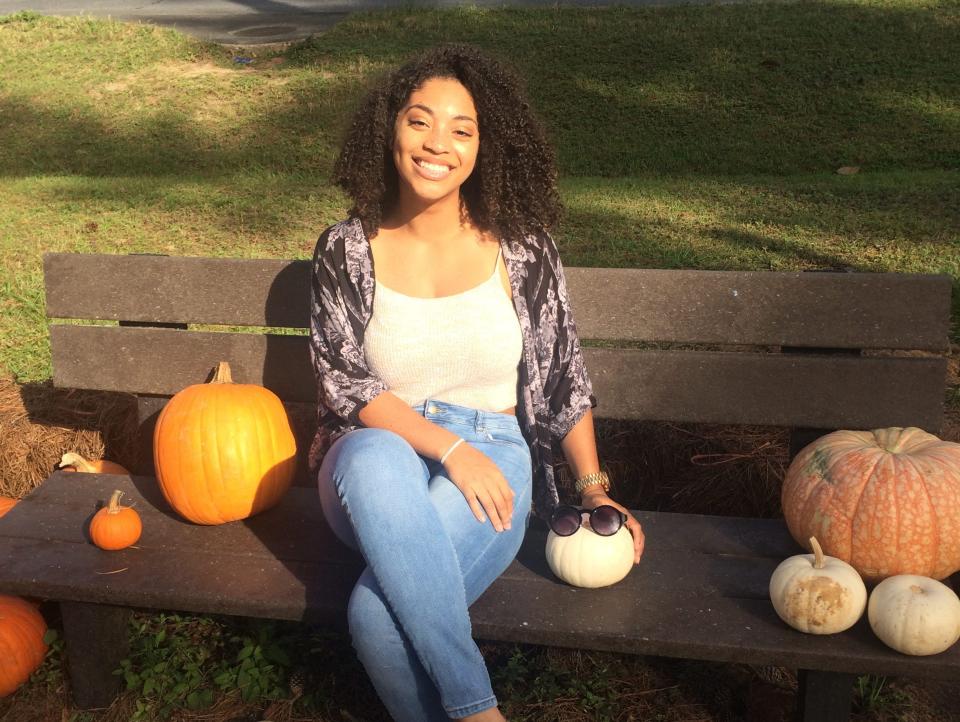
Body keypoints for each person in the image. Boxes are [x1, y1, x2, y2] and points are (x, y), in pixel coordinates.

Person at [309, 43, 645, 722]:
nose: (438, 144)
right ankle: (478, 711)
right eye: (419, 121)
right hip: (378, 458)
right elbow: (346, 383)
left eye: (462, 129)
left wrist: (595, 490)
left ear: (487, 147)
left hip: (495, 451)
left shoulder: (522, 248)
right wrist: (447, 449)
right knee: (374, 458)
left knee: (375, 617)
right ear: (389, 130)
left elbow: (563, 379)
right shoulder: (345, 248)